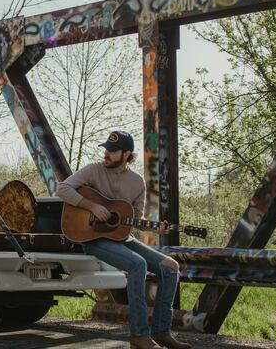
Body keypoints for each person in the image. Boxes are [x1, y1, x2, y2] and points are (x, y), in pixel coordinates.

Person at [57, 131, 191, 349]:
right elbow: (62, 188)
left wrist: (156, 226)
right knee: (138, 264)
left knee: (171, 267)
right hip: (92, 239)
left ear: (127, 154)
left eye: (112, 151)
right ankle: (139, 336)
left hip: (122, 239)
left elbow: (135, 220)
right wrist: (92, 206)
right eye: (106, 149)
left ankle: (161, 332)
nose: (106, 154)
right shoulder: (94, 170)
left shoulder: (137, 182)